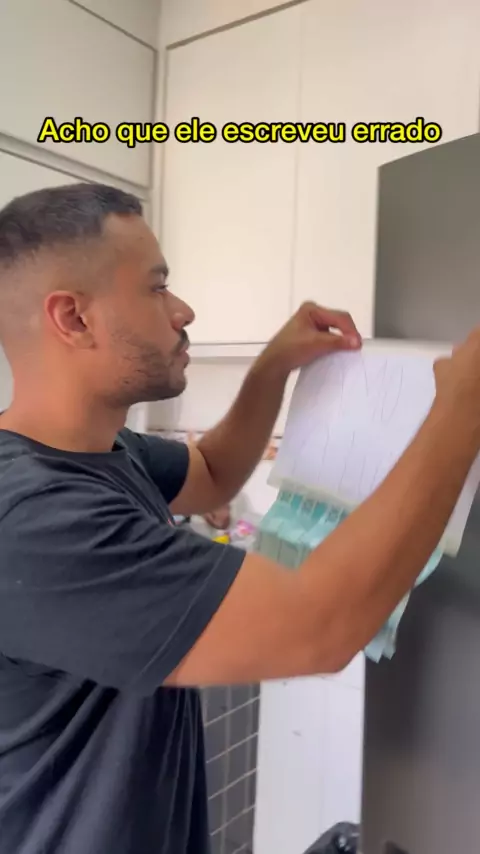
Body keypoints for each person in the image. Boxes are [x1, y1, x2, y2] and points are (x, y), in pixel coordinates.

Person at [0, 183, 479, 854]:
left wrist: (274, 367)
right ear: (74, 319)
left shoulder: (104, 454)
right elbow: (322, 627)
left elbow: (214, 471)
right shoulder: (37, 518)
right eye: (157, 287)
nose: (183, 309)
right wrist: (460, 410)